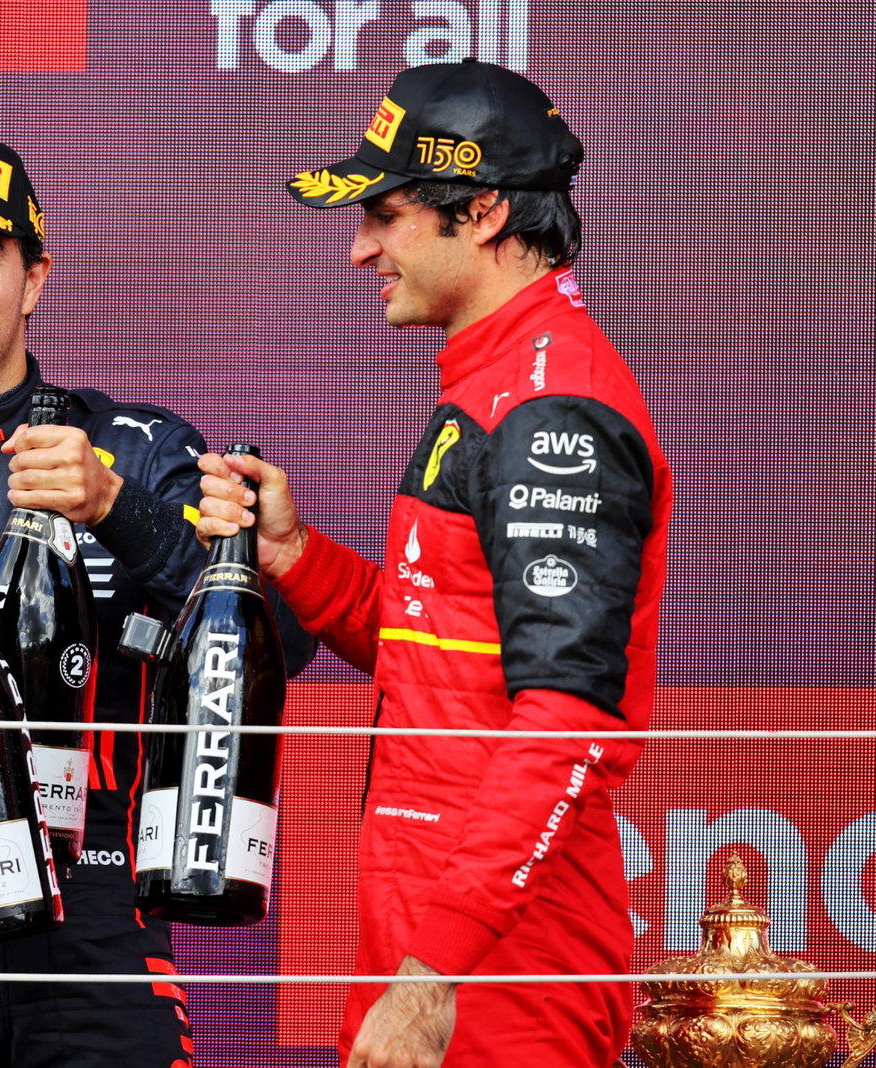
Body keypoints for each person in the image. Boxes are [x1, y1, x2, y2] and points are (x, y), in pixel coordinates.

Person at [197, 59, 672, 1066]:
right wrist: (293, 555)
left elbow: (572, 719)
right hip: (435, 946)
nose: (361, 247)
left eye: (388, 213)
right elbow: (442, 652)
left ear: (486, 210)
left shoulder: (553, 414)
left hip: (501, 969)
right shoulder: (495, 380)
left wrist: (433, 974)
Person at [0, 129, 315, 1067]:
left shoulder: (139, 451)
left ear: (34, 277)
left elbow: (283, 639)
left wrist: (119, 512)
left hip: (98, 949)